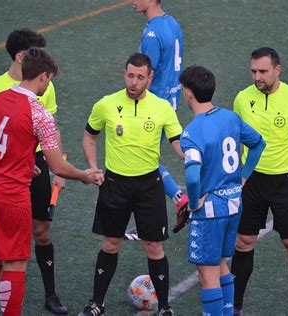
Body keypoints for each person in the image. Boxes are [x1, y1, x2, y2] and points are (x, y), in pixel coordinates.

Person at [0, 47, 103, 316]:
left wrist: (20, 162)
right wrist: (83, 175)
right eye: (50, 78)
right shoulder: (39, 113)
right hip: (10, 195)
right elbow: (57, 165)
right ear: (42, 76)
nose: (49, 83)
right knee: (15, 262)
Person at [0, 28, 70, 315]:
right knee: (8, 254)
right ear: (23, 57)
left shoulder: (40, 90)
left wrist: (49, 170)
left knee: (40, 231)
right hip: (8, 178)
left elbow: (51, 127)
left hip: (30, 164)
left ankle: (50, 295)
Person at [79, 53, 183, 316]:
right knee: (111, 243)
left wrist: (193, 156)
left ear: (150, 78)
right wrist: (93, 166)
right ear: (124, 74)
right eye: (130, 75)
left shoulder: (162, 108)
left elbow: (177, 142)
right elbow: (89, 136)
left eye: (140, 77)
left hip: (149, 186)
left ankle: (165, 307)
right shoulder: (106, 104)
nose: (133, 82)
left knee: (154, 246)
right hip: (115, 184)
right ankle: (97, 303)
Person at [230, 47, 288, 316]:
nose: (257, 77)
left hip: (285, 183)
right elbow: (236, 140)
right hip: (252, 183)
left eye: (263, 71)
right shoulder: (242, 99)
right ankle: (235, 307)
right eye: (254, 71)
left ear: (277, 70)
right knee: (244, 243)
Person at [179, 65, 265, 316]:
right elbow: (258, 143)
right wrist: (244, 176)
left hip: (209, 212)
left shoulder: (191, 133)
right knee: (221, 265)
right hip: (234, 204)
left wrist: (193, 202)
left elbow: (193, 175)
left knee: (207, 276)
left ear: (188, 94)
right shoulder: (230, 118)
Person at [133, 0, 189, 232]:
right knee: (146, 159)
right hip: (170, 101)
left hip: (152, 106)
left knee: (140, 162)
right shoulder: (172, 23)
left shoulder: (153, 33)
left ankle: (149, 224)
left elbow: (146, 74)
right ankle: (179, 198)